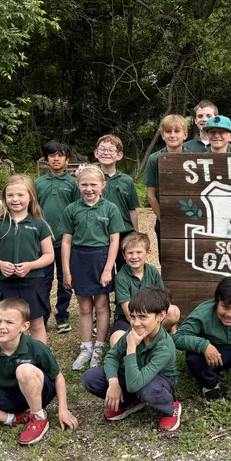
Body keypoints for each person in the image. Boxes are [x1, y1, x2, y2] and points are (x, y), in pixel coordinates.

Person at [0, 298, 78, 445]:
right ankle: (14, 419)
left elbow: (58, 377)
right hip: (9, 397)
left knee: (24, 370)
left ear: (24, 326)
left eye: (9, 322)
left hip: (39, 393)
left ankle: (38, 417)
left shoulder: (37, 347)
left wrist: (63, 410)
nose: (1, 327)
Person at [81, 288, 182, 432]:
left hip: (158, 382)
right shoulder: (134, 332)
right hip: (134, 376)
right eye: (133, 317)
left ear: (161, 315)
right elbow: (112, 356)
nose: (136, 323)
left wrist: (131, 347)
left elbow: (135, 384)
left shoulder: (164, 347)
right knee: (90, 378)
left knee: (147, 389)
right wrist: (113, 382)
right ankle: (131, 401)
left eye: (143, 317)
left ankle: (171, 407)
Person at [61, 165, 124, 370]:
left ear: (102, 185)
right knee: (85, 307)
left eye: (93, 184)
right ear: (78, 185)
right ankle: (86, 347)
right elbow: (66, 242)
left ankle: (99, 346)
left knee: (101, 306)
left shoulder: (110, 209)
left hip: (101, 259)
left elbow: (114, 241)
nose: (89, 189)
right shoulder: (71, 209)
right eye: (84, 185)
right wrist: (67, 271)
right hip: (79, 259)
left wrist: (108, 269)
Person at [0, 174, 54, 343]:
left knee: (36, 323)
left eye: (20, 195)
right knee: (6, 323)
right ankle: (9, 353)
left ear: (31, 197)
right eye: (10, 195)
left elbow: (49, 255)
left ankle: (39, 355)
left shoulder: (39, 224)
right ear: (4, 198)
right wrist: (0, 264)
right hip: (5, 282)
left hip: (33, 282)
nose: (15, 199)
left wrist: (31, 265)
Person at [35, 140, 81, 334]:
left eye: (60, 155)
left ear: (67, 159)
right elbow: (33, 211)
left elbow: (78, 211)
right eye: (52, 155)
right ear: (46, 159)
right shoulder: (38, 183)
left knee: (65, 280)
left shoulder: (73, 183)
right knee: (43, 281)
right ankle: (42, 318)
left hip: (66, 242)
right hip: (43, 242)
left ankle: (62, 316)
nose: (56, 159)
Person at [110, 232, 181, 348]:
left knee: (173, 312)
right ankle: (146, 340)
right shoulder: (121, 277)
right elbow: (128, 313)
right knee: (116, 340)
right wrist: (140, 325)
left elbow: (164, 300)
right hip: (129, 319)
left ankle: (145, 340)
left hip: (150, 315)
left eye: (139, 252)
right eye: (130, 253)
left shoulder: (152, 271)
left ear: (148, 253)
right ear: (124, 255)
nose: (134, 257)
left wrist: (173, 329)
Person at [94, 134, 140, 271]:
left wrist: (136, 235)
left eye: (111, 150)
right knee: (102, 273)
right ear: (96, 153)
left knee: (125, 271)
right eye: (102, 149)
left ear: (119, 155)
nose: (106, 153)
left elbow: (132, 210)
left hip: (123, 232)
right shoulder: (91, 180)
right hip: (99, 233)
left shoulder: (127, 181)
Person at [144, 114, 189, 252]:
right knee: (167, 258)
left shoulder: (193, 158)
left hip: (189, 218)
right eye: (168, 132)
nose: (172, 135)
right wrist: (162, 219)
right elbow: (151, 195)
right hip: (164, 218)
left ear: (185, 135)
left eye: (177, 131)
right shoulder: (154, 159)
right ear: (163, 135)